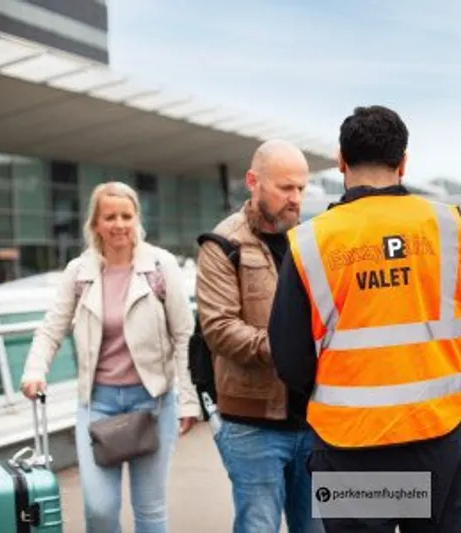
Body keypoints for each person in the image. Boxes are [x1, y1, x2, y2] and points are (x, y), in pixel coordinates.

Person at [268, 105, 461, 533]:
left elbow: (289, 360)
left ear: (341, 162)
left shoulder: (309, 242)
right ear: (404, 162)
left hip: (351, 450)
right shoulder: (447, 225)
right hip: (438, 438)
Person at [20, 181, 200, 533]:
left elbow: (184, 336)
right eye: (110, 216)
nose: (119, 224)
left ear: (136, 219)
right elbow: (51, 328)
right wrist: (34, 369)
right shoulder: (79, 272)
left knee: (150, 510)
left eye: (126, 216)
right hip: (97, 405)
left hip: (152, 405)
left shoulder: (160, 266)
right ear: (96, 223)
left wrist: (189, 402)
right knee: (99, 509)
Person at [195, 139, 318, 533]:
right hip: (253, 424)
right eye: (285, 187)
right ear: (253, 181)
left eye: (301, 188)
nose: (295, 198)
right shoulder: (222, 244)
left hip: (317, 420)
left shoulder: (314, 241)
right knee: (258, 526)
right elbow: (220, 330)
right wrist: (290, 349)